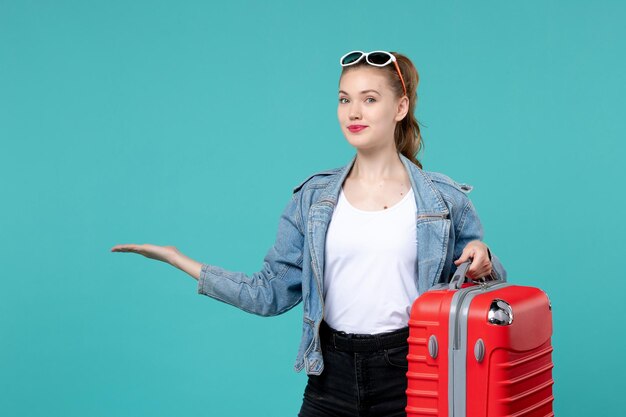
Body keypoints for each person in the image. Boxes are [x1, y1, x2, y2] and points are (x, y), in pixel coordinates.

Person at [111, 50, 507, 417]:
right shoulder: (312, 199)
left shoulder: (443, 199)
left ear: (400, 107)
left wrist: (481, 256)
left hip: (412, 374)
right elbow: (268, 293)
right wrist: (179, 259)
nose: (353, 111)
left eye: (369, 99)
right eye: (344, 98)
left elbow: (489, 282)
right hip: (329, 376)